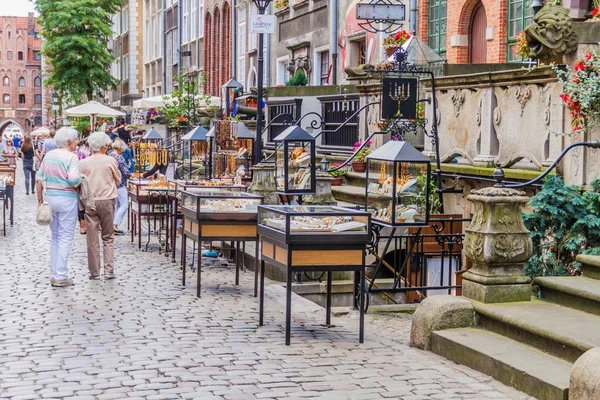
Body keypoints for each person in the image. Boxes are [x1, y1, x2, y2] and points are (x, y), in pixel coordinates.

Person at [36, 127, 81, 287]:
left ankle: (54, 273)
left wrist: (40, 200)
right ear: (69, 141)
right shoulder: (72, 157)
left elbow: (39, 178)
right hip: (67, 199)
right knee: (65, 237)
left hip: (51, 199)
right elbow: (74, 179)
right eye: (76, 139)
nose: (77, 142)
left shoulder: (49, 155)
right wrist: (81, 179)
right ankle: (61, 275)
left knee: (55, 237)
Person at [80, 132, 121, 280]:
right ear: (103, 146)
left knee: (92, 239)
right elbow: (118, 180)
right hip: (107, 199)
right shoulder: (110, 160)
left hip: (90, 201)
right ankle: (109, 270)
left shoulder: (84, 163)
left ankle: (94, 272)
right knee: (108, 236)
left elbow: (81, 182)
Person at [108, 139, 131, 235]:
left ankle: (112, 225)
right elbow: (125, 172)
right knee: (124, 204)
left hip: (111, 183)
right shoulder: (119, 157)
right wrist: (131, 174)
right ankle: (115, 224)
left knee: (116, 205)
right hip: (120, 184)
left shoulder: (110, 156)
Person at [76, 140, 92, 234]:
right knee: (89, 202)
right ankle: (90, 225)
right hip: (89, 179)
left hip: (81, 178)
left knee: (81, 203)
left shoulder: (80, 151)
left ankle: (82, 226)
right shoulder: (90, 153)